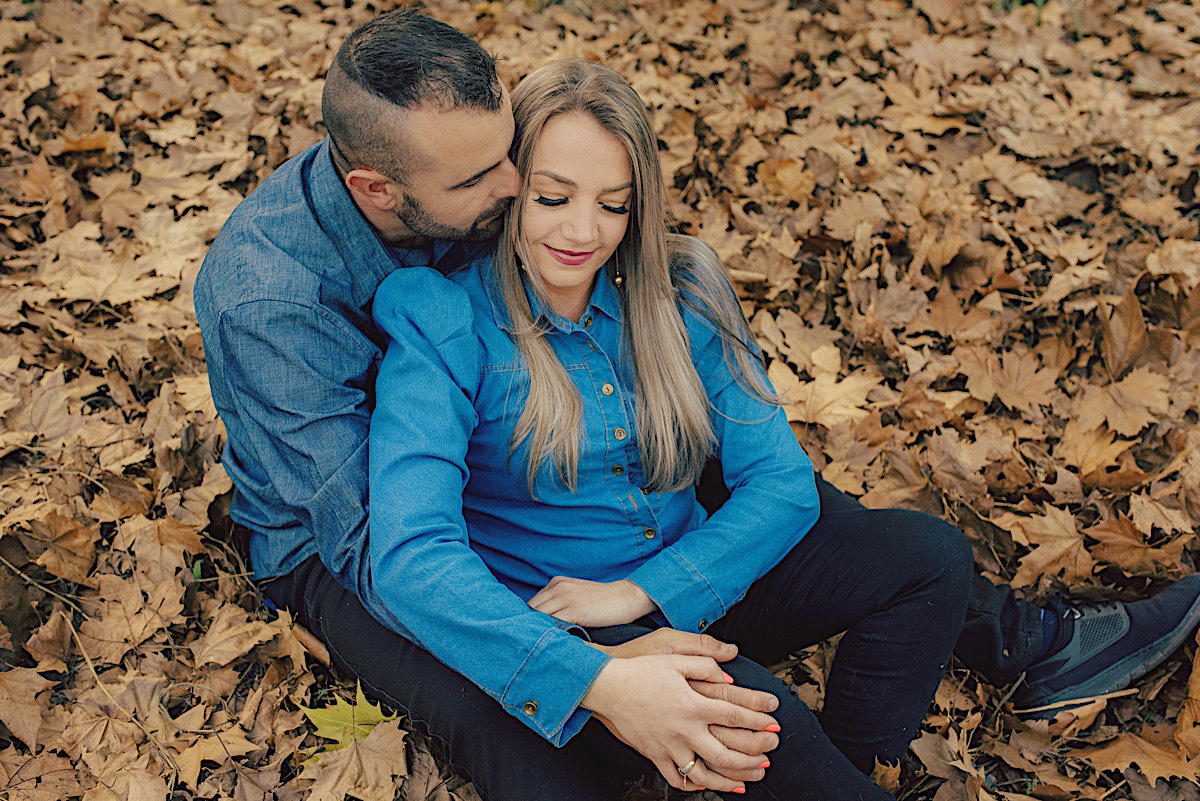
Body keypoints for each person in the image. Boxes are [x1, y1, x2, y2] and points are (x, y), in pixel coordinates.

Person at [192, 8, 1200, 800]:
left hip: (545, 409)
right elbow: (386, 551)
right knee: (506, 724)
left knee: (799, 493)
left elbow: (762, 464)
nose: (514, 186)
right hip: (344, 545)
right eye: (502, 183)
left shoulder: (480, 170)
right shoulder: (271, 296)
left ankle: (1018, 643)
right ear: (380, 192)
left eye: (519, 159)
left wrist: (650, 591)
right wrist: (600, 674)